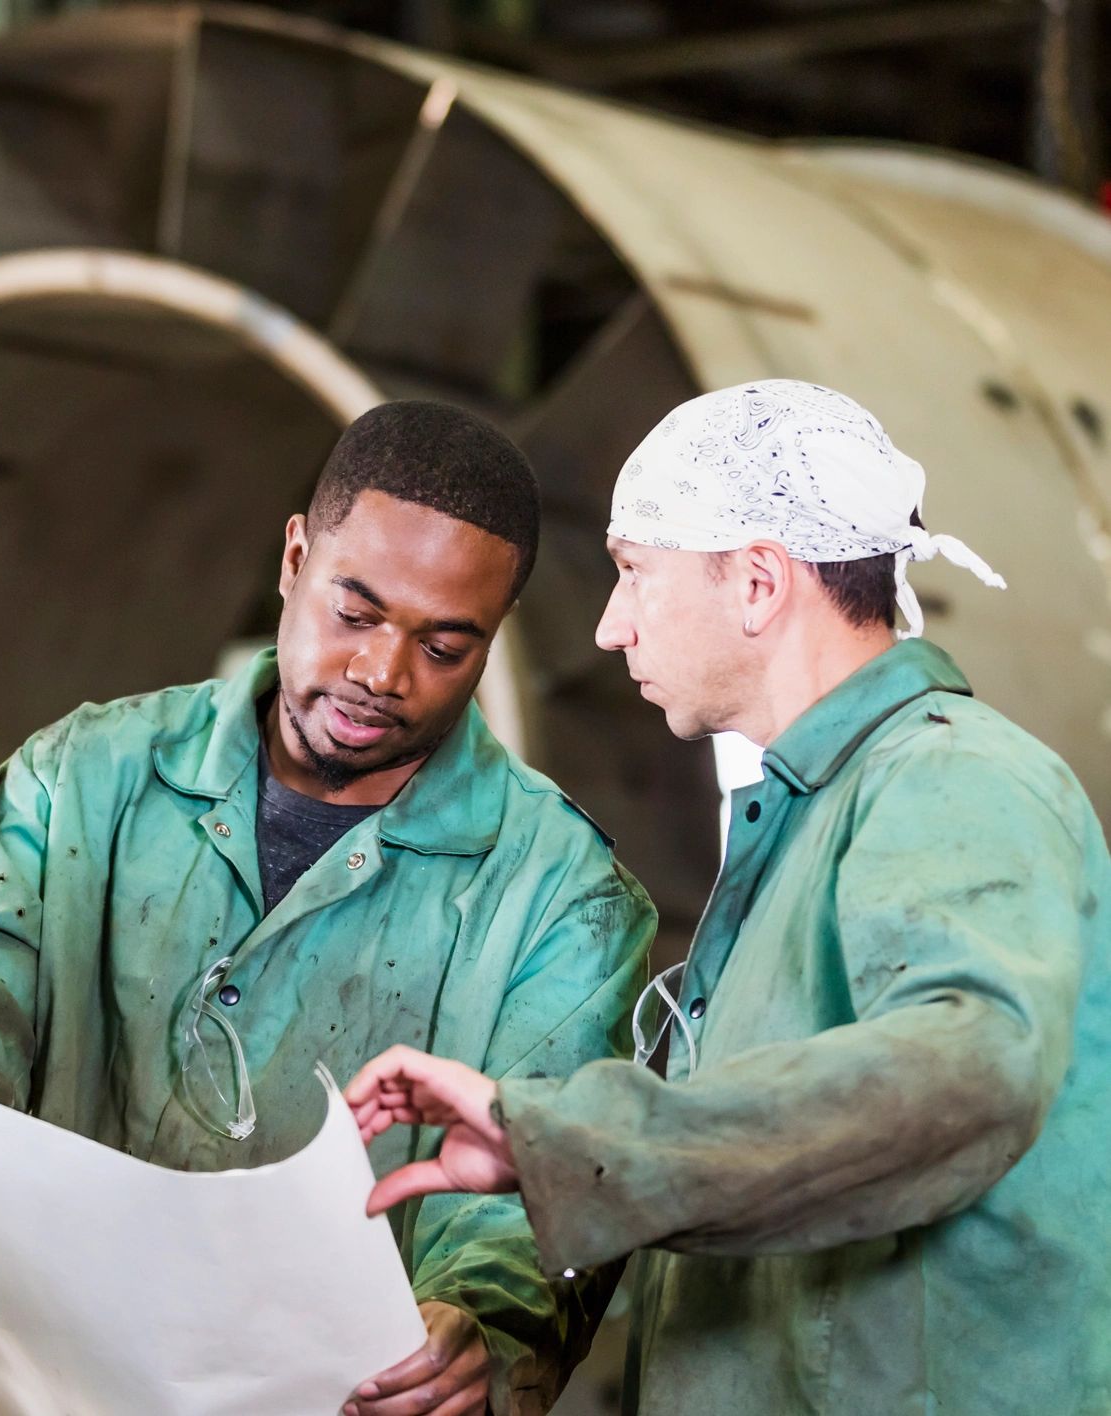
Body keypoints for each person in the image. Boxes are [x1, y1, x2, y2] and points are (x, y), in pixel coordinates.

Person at [0, 401, 658, 1415]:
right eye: (355, 611)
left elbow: (529, 1193)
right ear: (294, 559)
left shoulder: (562, 901)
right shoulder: (82, 780)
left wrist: (475, 1332)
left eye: (442, 647)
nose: (380, 674)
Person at [346, 380, 1111, 1415]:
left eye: (632, 573)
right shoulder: (806, 823)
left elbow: (971, 1067)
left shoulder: (951, 780)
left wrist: (571, 1139)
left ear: (755, 583)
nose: (611, 628)